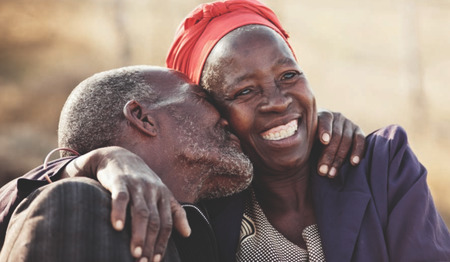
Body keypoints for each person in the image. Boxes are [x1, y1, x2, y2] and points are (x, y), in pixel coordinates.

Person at [165, 0, 450, 261]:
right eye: (245, 91)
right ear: (213, 114)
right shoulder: (201, 212)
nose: (278, 102)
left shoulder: (382, 166)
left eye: (288, 76)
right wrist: (119, 159)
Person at [0, 65, 255, 262]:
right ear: (142, 117)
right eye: (202, 98)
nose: (226, 118)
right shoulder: (81, 203)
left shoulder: (202, 229)